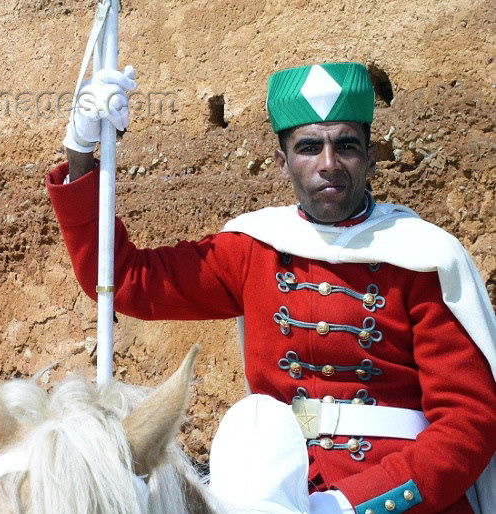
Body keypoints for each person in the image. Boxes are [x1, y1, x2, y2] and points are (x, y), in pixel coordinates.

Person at [46, 62, 496, 513]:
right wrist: (80, 149)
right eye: (308, 147)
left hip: (398, 496)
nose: (328, 164)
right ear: (282, 162)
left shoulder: (423, 257)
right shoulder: (252, 250)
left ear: (371, 155)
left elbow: (468, 423)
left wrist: (352, 504)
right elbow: (122, 279)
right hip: (269, 489)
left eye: (346, 146)